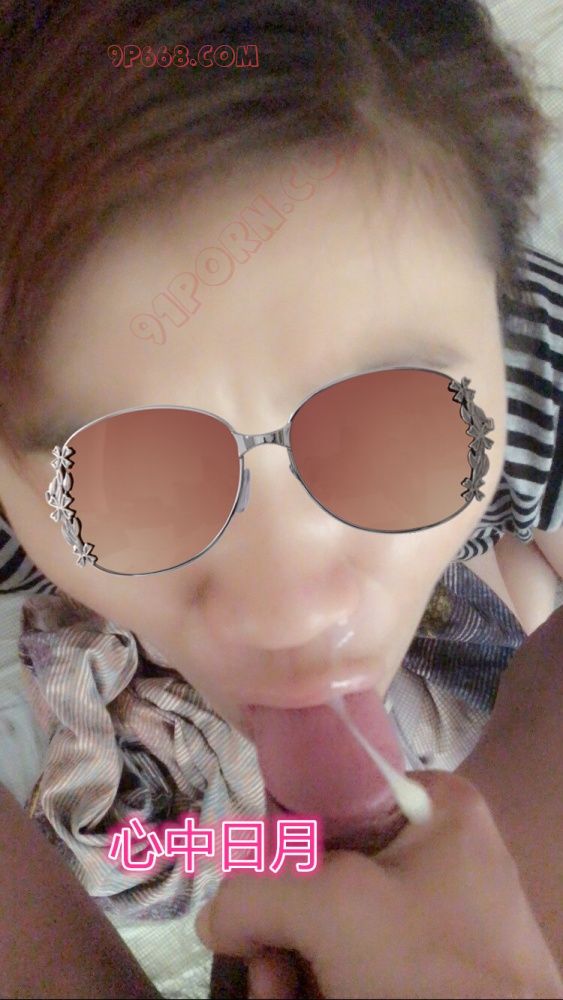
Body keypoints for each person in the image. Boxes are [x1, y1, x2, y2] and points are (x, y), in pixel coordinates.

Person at [0, 1, 561, 997]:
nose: (292, 612)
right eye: (126, 469)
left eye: (393, 418)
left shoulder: (538, 374)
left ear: (498, 303)